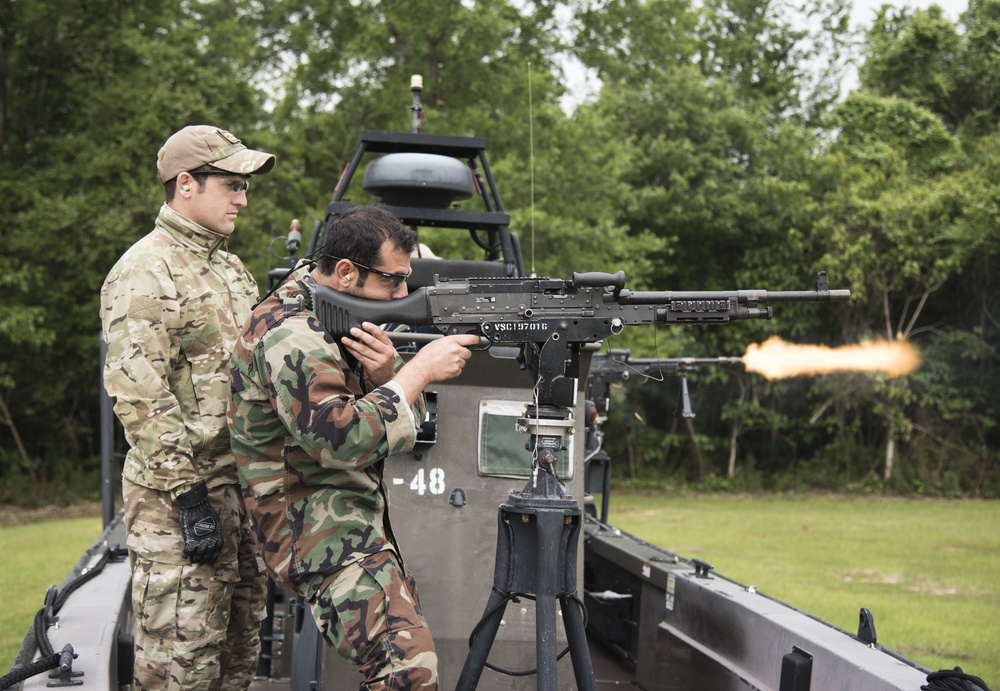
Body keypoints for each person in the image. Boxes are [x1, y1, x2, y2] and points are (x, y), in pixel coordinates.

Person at [228, 205, 478, 690]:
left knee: (406, 659)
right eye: (392, 281)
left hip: (346, 521)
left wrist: (388, 376)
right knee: (407, 667)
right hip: (314, 530)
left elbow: (401, 419)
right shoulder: (291, 331)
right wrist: (416, 371)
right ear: (346, 272)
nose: (403, 294)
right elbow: (339, 438)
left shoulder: (326, 310)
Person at [100, 125, 275, 691]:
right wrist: (188, 495)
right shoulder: (144, 271)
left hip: (238, 493)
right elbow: (139, 395)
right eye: (232, 185)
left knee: (238, 656)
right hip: (179, 503)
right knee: (181, 665)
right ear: (186, 185)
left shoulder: (230, 270)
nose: (243, 200)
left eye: (245, 187)